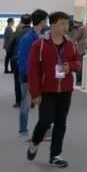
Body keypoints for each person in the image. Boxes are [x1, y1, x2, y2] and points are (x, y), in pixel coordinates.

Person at [26, 11, 81, 168]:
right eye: (62, 23)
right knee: (45, 121)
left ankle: (55, 155)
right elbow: (32, 71)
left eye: (67, 24)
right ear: (53, 24)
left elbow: (78, 62)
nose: (66, 27)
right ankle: (35, 142)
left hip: (65, 89)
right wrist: (35, 93)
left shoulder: (70, 44)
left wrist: (71, 66)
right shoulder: (40, 45)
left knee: (60, 122)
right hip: (47, 90)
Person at [17, 9, 48, 141]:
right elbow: (22, 60)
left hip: (40, 77)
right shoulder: (28, 38)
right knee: (26, 105)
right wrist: (30, 76)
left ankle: (43, 131)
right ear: (42, 21)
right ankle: (23, 132)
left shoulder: (40, 36)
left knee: (45, 105)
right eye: (46, 20)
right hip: (28, 78)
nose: (47, 22)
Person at [7, 14, 31, 108]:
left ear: (21, 22)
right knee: (31, 81)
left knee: (18, 81)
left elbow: (9, 48)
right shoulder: (34, 34)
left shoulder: (17, 33)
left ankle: (19, 101)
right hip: (31, 61)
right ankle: (30, 101)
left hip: (17, 60)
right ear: (31, 21)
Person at [69, 21, 87, 85]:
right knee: (82, 65)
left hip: (82, 49)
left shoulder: (83, 28)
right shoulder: (85, 28)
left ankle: (78, 80)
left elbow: (75, 38)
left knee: (80, 65)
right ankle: (79, 80)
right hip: (83, 50)